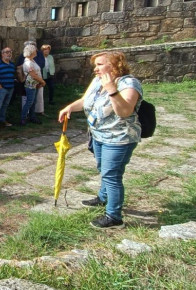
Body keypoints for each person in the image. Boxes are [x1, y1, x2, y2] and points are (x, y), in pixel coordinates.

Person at [58, 51, 143, 229]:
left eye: (100, 65)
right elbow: (85, 101)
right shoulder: (97, 81)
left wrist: (112, 89)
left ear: (114, 65)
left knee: (112, 175)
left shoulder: (129, 83)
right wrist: (69, 108)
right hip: (98, 135)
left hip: (120, 138)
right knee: (103, 168)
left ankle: (114, 216)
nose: (95, 69)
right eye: (95, 65)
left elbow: (125, 111)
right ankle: (103, 197)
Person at [20, 44, 46, 125]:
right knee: (30, 101)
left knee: (33, 101)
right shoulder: (28, 63)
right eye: (35, 50)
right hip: (30, 85)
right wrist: (42, 81)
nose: (36, 51)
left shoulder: (32, 60)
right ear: (31, 52)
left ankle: (32, 116)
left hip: (34, 84)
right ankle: (23, 118)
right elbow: (33, 75)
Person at [0, 47, 16, 130]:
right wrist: (0, 87)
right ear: (2, 54)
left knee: (5, 105)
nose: (9, 53)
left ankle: (2, 119)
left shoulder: (12, 64)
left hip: (10, 88)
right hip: (1, 88)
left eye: (10, 52)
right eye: (7, 52)